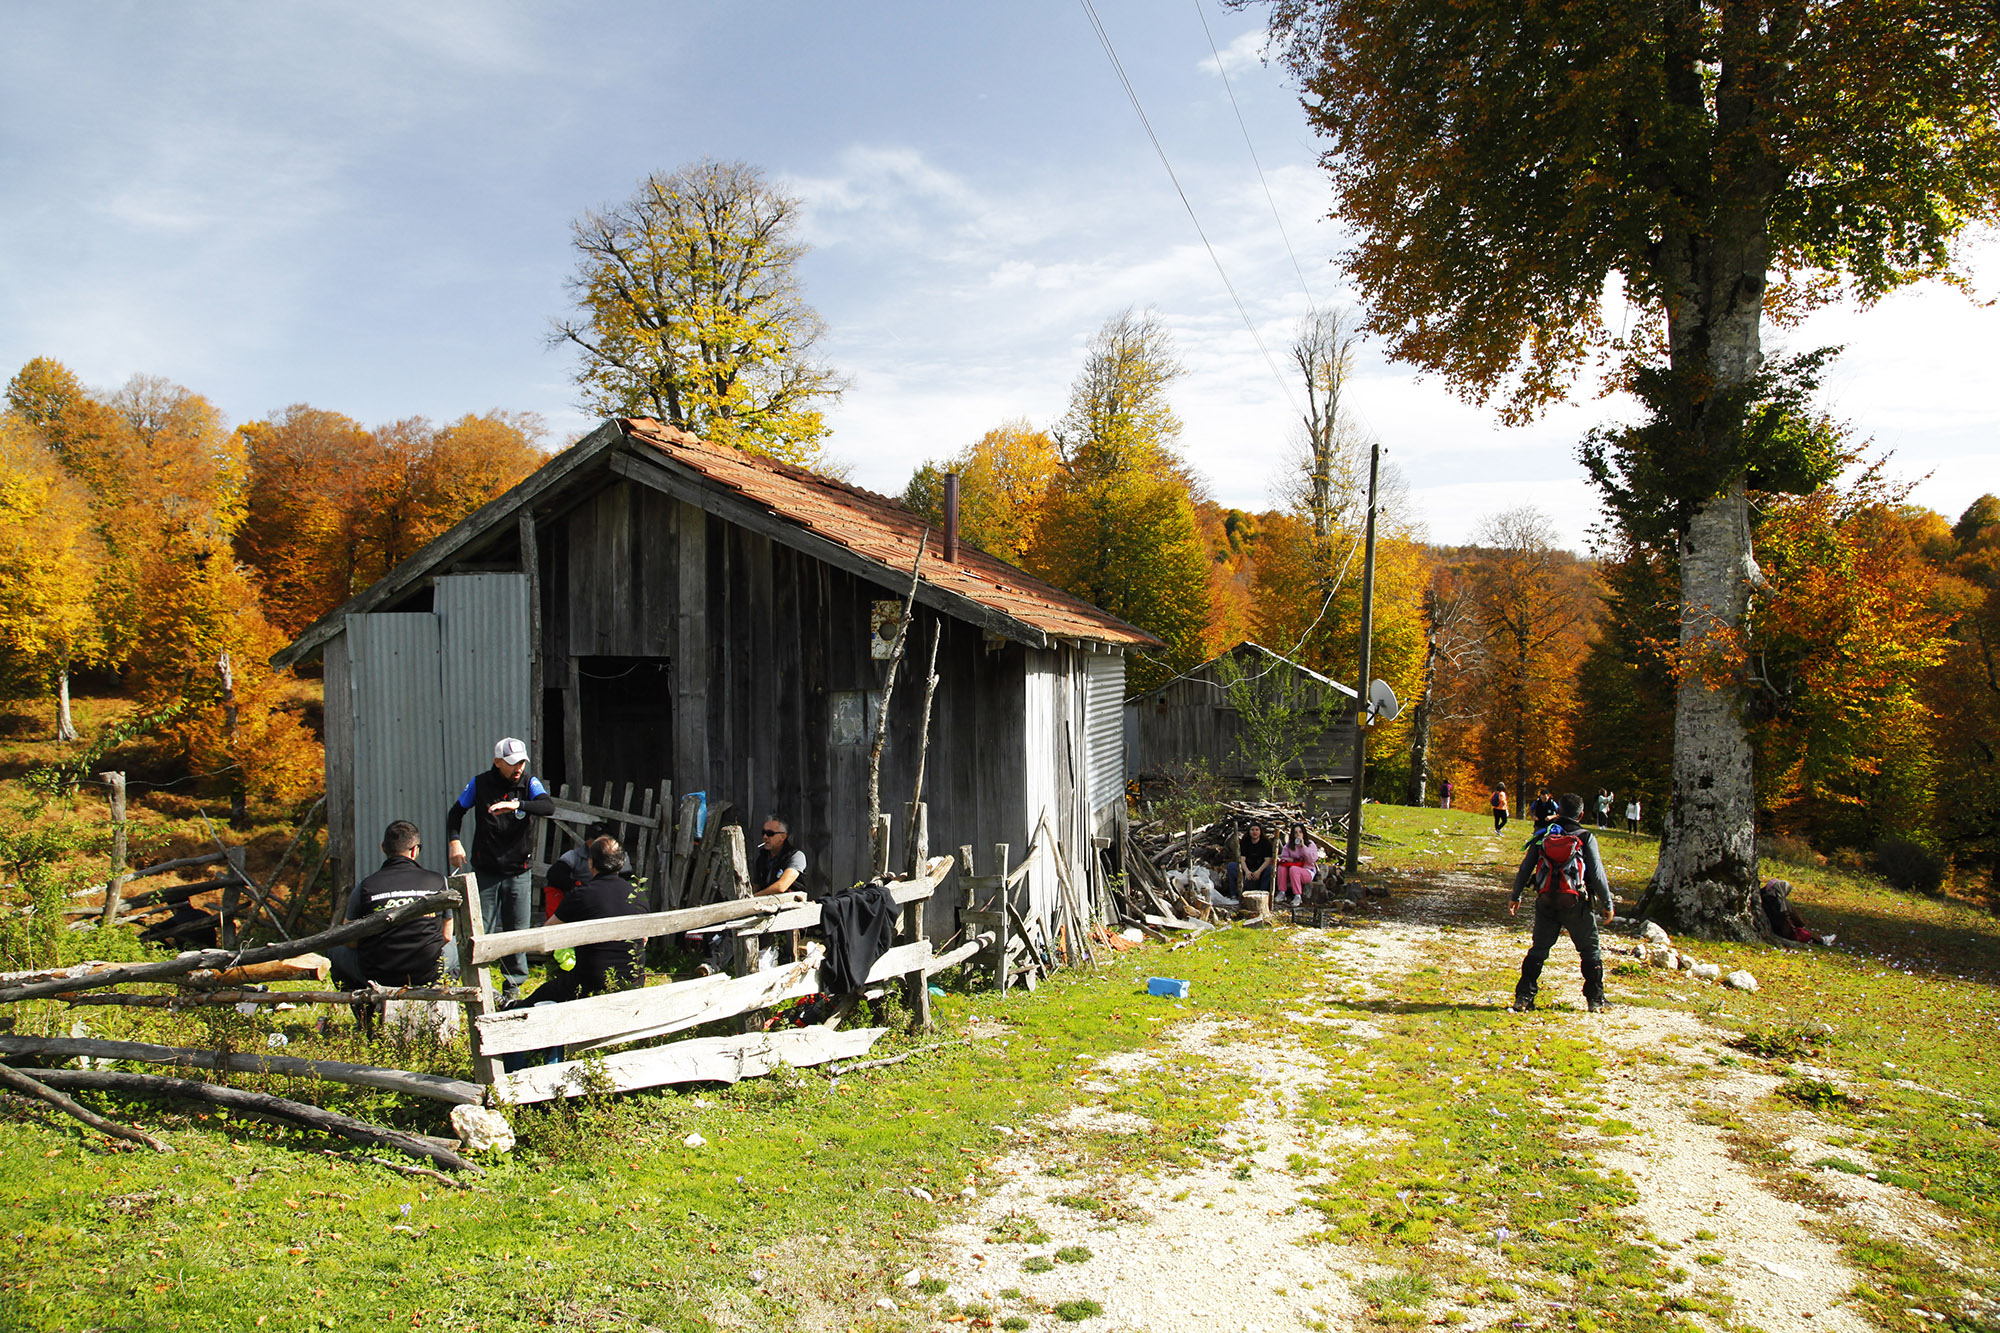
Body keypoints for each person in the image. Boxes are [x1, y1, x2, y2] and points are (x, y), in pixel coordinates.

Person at [445, 736, 555, 1003]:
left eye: (521, 762)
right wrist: (454, 842)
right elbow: (455, 813)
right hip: (487, 869)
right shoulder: (480, 783)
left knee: (518, 930)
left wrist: (517, 804)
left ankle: (513, 985)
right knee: (480, 928)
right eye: (512, 763)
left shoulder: (529, 783)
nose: (518, 768)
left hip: (519, 869)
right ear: (497, 762)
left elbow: (548, 806)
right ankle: (470, 980)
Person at [1509, 793, 1615, 1013]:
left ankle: (1523, 998)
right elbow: (1596, 874)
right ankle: (1595, 1000)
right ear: (1582, 814)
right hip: (1575, 903)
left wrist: (1516, 895)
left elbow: (1526, 867)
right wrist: (1607, 902)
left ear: (1559, 811)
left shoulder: (1544, 834)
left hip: (1546, 901)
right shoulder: (1586, 837)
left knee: (1539, 949)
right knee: (1590, 950)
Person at [328, 820, 453, 994]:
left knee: (335, 950)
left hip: (378, 973)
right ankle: (439, 997)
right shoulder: (438, 881)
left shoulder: (365, 886)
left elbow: (349, 939)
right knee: (457, 946)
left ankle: (366, 1012)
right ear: (415, 850)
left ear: (383, 848)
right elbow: (446, 935)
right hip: (426, 971)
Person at [527, 835, 643, 1006]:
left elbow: (548, 933)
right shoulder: (638, 894)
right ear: (621, 863)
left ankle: (509, 1009)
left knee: (542, 995)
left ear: (591, 863)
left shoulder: (582, 894)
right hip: (633, 981)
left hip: (590, 983)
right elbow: (645, 939)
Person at [752, 816, 807, 896]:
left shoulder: (796, 856)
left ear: (782, 837)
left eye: (770, 833)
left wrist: (754, 897)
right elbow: (756, 887)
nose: (765, 837)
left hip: (790, 904)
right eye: (763, 833)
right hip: (763, 904)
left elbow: (781, 887)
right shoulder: (762, 858)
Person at [1229, 821, 1277, 902]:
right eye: (1252, 830)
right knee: (1231, 866)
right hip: (1247, 869)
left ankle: (1263, 893)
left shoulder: (1266, 843)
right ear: (1249, 831)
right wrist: (1247, 871)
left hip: (1261, 870)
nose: (1255, 832)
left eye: (1257, 830)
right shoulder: (1245, 842)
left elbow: (1268, 860)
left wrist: (1258, 872)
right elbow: (1242, 859)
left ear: (1260, 831)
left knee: (1270, 868)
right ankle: (1234, 894)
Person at [1274, 823, 1319, 908]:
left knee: (1294, 869)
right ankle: (1282, 892)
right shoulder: (1289, 845)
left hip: (1307, 871)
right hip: (1291, 871)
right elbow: (1284, 858)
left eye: (1300, 832)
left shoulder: (1310, 844)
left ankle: (1298, 895)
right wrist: (1291, 860)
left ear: (1303, 833)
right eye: (1295, 832)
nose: (1298, 834)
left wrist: (1303, 846)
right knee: (1281, 867)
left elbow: (1312, 859)